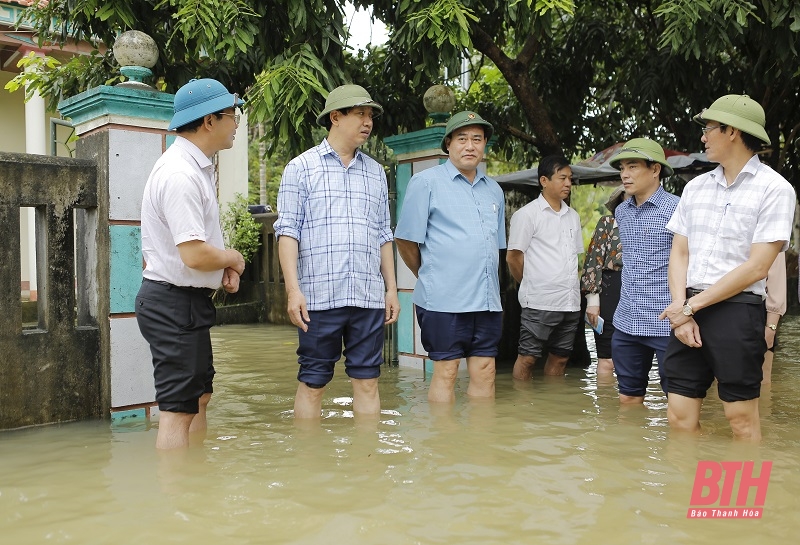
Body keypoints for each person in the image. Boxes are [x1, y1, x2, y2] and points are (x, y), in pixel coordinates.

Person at [659, 94, 796, 440]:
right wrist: (682, 309)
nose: (703, 137)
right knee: (678, 415)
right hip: (687, 309)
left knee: (741, 420)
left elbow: (758, 266)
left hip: (737, 310)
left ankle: (744, 494)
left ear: (731, 131)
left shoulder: (775, 189)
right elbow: (679, 253)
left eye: (708, 129)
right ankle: (690, 490)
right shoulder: (695, 188)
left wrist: (690, 307)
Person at [274, 84, 400, 420]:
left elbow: (383, 234)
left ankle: (367, 464)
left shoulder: (375, 172)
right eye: (359, 113)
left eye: (370, 115)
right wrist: (293, 291)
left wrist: (391, 289)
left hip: (367, 297)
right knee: (313, 384)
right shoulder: (300, 169)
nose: (367, 121)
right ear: (335, 117)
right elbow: (287, 233)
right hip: (318, 297)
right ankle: (309, 464)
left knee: (368, 383)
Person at [136, 78, 246, 450]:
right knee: (178, 408)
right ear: (209, 121)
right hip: (171, 302)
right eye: (233, 115)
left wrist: (221, 270)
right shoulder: (180, 173)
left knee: (198, 397)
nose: (236, 124)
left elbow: (197, 250)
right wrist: (232, 258)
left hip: (186, 300)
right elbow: (194, 254)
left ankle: (196, 489)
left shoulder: (196, 167)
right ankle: (178, 500)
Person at [394, 111, 505, 403]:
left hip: (487, 298)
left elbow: (496, 246)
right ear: (448, 144)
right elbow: (405, 240)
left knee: (485, 369)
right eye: (462, 139)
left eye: (477, 140)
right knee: (447, 371)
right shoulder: (426, 182)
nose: (470, 146)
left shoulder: (494, 190)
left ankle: (480, 445)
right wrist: (429, 274)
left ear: (484, 147)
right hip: (443, 299)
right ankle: (443, 446)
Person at [606, 138, 680, 404]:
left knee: (679, 401)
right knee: (628, 398)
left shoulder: (677, 209)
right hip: (626, 321)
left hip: (666, 322)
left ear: (655, 169)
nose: (625, 174)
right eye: (622, 168)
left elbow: (689, 263)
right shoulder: (622, 211)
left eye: (633, 166)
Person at [506, 155, 583, 379]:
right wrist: (530, 284)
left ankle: (550, 409)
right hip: (539, 301)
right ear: (544, 180)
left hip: (570, 302)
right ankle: (522, 406)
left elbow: (573, 258)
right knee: (528, 358)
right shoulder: (526, 215)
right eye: (562, 178)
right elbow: (513, 257)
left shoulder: (573, 217)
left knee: (560, 358)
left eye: (570, 178)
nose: (568, 183)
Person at [581, 186, 625, 375]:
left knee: (635, 355)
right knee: (607, 359)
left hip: (642, 289)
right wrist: (592, 301)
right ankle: (605, 403)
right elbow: (593, 261)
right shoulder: (608, 223)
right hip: (610, 288)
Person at [762, 252, 787, 384]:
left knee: (763, 379)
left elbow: (776, 274)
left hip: (760, 306)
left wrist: (771, 326)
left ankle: (765, 405)